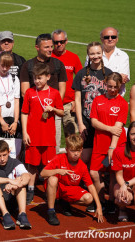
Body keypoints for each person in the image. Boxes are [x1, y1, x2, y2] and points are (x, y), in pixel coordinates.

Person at [21, 63, 64, 204]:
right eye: (35, 78)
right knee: (32, 165)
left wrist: (53, 109)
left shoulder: (55, 93)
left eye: (40, 78)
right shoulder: (30, 92)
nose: (37, 81)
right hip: (33, 135)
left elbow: (62, 112)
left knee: (48, 166)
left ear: (48, 77)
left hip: (48, 137)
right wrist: (25, 133)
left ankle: (48, 190)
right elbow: (24, 113)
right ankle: (31, 190)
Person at [40, 134, 104, 225]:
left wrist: (99, 206)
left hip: (70, 189)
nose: (76, 153)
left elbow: (90, 185)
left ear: (81, 150)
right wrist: (58, 171)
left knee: (89, 198)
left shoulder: (83, 166)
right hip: (58, 187)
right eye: (72, 150)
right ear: (66, 150)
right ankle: (51, 211)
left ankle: (65, 201)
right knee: (52, 179)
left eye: (78, 150)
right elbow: (42, 173)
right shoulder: (59, 158)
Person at [20, 34, 67, 153]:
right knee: (33, 148)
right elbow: (24, 92)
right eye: (46, 47)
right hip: (33, 114)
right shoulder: (28, 65)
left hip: (52, 112)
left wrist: (54, 105)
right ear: (37, 47)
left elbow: (62, 88)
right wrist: (37, 106)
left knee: (53, 148)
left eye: (51, 46)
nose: (51, 49)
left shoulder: (58, 64)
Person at [89, 72, 128, 213]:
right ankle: (101, 200)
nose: (112, 89)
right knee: (94, 172)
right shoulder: (97, 99)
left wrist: (112, 147)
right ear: (105, 84)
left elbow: (118, 130)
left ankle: (111, 202)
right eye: (110, 86)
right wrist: (109, 128)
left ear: (120, 86)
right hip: (99, 142)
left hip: (116, 145)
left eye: (115, 87)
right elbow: (94, 122)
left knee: (112, 175)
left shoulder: (122, 103)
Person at [72, 42, 113, 165]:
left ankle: (101, 180)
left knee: (103, 157)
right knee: (84, 157)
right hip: (86, 121)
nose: (95, 56)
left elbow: (112, 98)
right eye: (92, 54)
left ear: (102, 53)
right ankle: (86, 181)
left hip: (103, 121)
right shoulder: (81, 74)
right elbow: (78, 100)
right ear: (88, 55)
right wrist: (80, 123)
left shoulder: (109, 73)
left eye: (98, 53)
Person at [0, 140, 31, 230]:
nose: (2, 159)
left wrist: (15, 185)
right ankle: (5, 215)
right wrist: (9, 180)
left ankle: (22, 214)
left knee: (21, 185)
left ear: (9, 152)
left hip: (11, 200)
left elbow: (27, 177)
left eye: (4, 155)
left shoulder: (16, 163)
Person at [51, 29, 83, 140]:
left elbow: (81, 81)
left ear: (66, 41)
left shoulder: (74, 57)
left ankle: (74, 157)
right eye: (56, 42)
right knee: (54, 138)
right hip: (52, 104)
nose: (59, 44)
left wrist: (76, 101)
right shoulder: (48, 57)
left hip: (69, 104)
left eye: (62, 41)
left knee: (73, 137)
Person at [85, 27, 130, 96]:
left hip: (115, 98)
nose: (110, 39)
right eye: (106, 37)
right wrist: (115, 78)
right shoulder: (93, 55)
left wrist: (99, 79)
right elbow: (87, 76)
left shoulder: (123, 56)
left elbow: (123, 80)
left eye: (113, 37)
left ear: (117, 39)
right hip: (94, 97)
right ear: (101, 39)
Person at [0, 52, 21, 138]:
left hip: (12, 119)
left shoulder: (14, 79)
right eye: (3, 65)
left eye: (8, 66)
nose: (5, 68)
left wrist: (15, 122)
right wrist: (2, 122)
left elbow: (16, 101)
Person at [112, 122, 135, 222]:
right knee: (120, 194)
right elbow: (119, 175)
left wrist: (127, 184)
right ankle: (122, 209)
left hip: (129, 183)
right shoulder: (119, 151)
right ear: (128, 135)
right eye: (133, 134)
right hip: (124, 183)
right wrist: (125, 188)